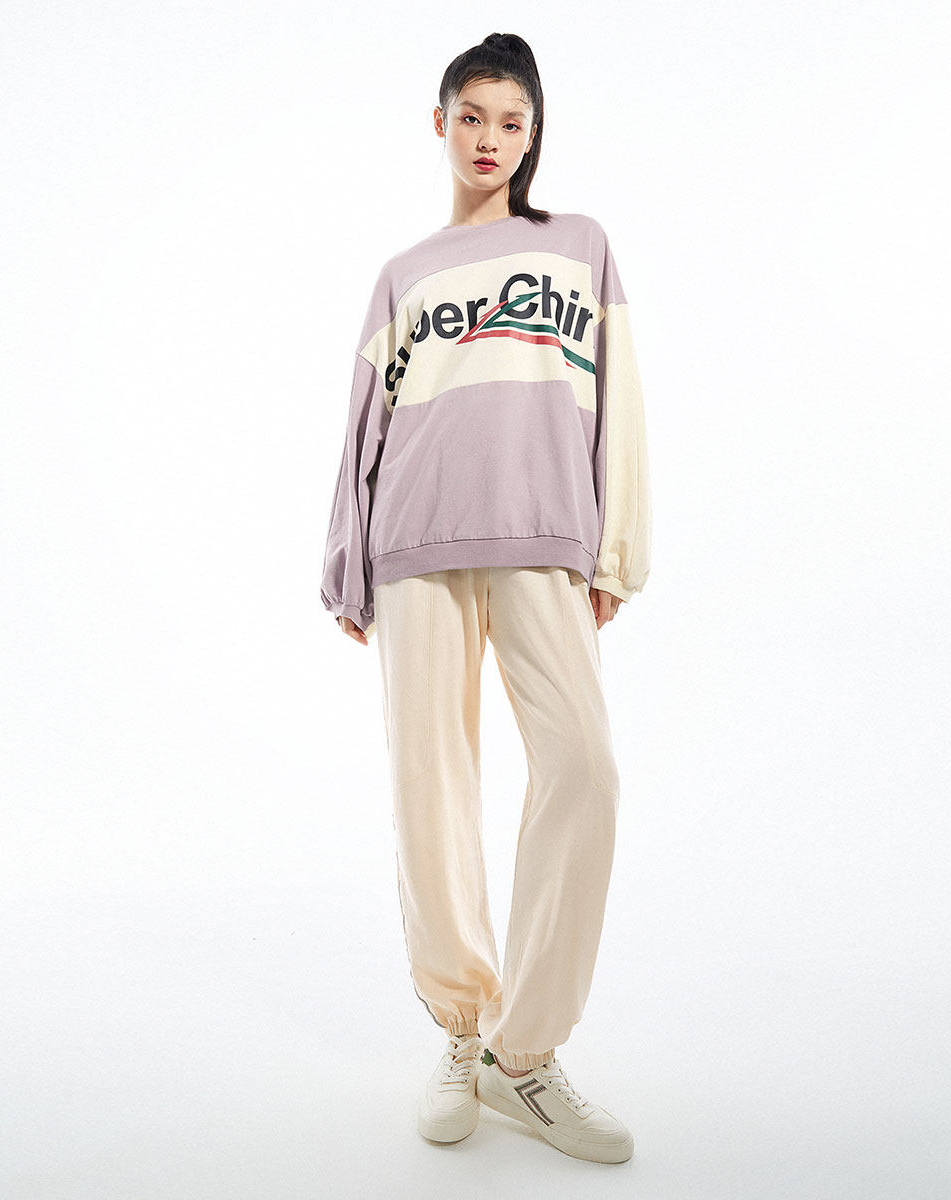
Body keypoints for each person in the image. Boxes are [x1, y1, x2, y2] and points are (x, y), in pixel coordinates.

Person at [319, 32, 651, 1165]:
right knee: (433, 783)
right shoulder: (404, 273)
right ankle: (462, 1031)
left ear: (533, 133)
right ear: (440, 123)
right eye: (472, 117)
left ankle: (525, 1051)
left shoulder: (580, 246)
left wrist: (615, 550)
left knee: (585, 768)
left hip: (543, 537)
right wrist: (347, 555)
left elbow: (621, 401)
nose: (490, 139)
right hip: (415, 542)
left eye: (511, 122)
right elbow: (364, 424)